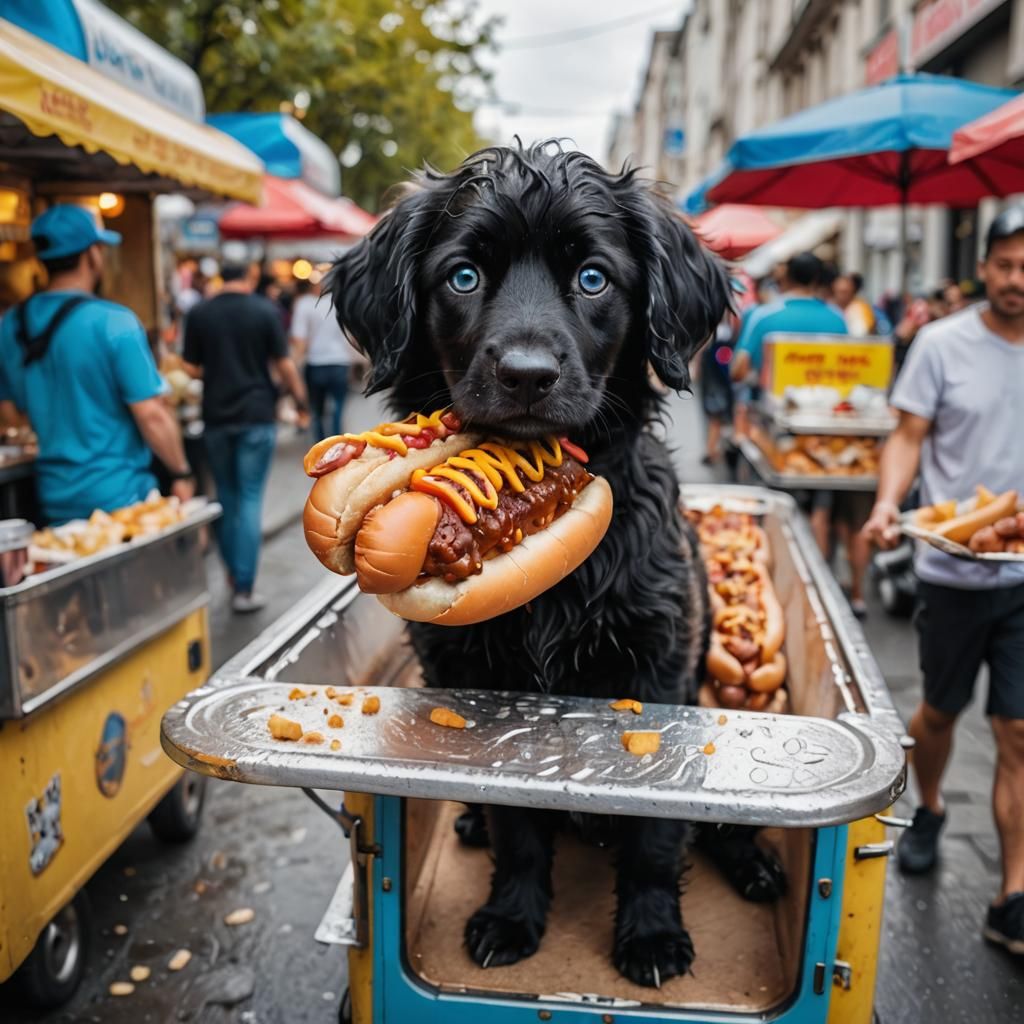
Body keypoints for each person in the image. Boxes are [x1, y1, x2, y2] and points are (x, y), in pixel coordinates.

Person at [863, 207, 1024, 955]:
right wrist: (891, 503)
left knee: (1017, 729)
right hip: (950, 567)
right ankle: (927, 804)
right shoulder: (940, 343)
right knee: (939, 712)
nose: (1017, 280)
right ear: (983, 267)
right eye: (1006, 265)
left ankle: (1013, 892)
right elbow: (906, 436)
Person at [0, 205, 193, 523]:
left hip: (51, 496)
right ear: (92, 254)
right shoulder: (114, 322)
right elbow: (152, 414)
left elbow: (11, 413)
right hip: (121, 498)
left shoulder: (11, 326)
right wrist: (181, 473)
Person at [183, 263, 308, 613]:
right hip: (256, 414)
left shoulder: (200, 312)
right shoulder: (264, 310)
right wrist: (301, 401)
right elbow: (284, 364)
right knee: (251, 498)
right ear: (249, 277)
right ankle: (245, 587)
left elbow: (190, 368)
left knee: (226, 497)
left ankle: (231, 575)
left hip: (216, 416)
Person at [290, 277, 362, 441]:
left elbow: (299, 340)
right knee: (338, 407)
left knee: (317, 410)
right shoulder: (340, 304)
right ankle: (338, 443)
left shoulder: (304, 304)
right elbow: (353, 337)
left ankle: (320, 447)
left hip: (316, 363)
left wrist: (293, 364)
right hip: (340, 362)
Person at [833, 272, 877, 336]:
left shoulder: (861, 308)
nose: (841, 296)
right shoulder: (830, 307)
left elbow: (863, 332)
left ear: (853, 291)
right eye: (839, 292)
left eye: (844, 292)